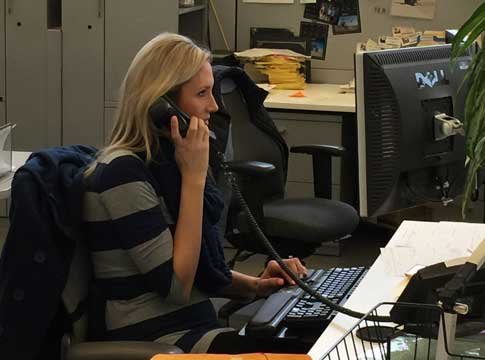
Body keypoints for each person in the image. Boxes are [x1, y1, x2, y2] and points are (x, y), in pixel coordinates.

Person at [83, 32, 308, 354]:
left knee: (315, 331)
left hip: (191, 321)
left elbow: (194, 267)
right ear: (163, 104)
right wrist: (194, 178)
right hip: (153, 336)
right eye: (202, 93)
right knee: (299, 350)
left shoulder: (166, 159)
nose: (214, 106)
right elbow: (176, 286)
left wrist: (257, 286)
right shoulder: (122, 175)